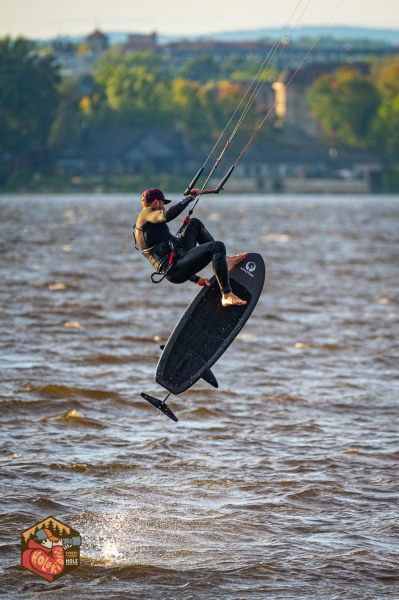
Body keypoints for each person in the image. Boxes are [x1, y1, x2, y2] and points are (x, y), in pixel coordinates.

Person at [134, 188, 248, 307]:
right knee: (217, 246)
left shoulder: (148, 224)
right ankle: (226, 295)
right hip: (175, 269)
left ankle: (225, 261)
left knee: (194, 223)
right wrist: (189, 198)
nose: (163, 207)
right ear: (156, 202)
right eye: (163, 204)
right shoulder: (145, 214)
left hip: (180, 258)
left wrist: (195, 279)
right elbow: (167, 215)